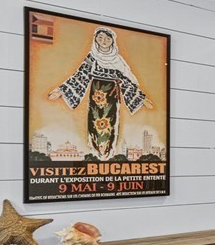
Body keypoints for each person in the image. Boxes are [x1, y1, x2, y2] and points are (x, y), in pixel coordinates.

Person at [48, 26, 154, 160]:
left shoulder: (118, 60)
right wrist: (61, 90)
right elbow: (79, 76)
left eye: (107, 38)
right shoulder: (92, 57)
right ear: (96, 40)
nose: (104, 41)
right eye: (100, 38)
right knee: (95, 121)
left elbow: (126, 81)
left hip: (112, 95)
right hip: (96, 93)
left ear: (112, 41)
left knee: (111, 122)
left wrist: (142, 98)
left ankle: (108, 153)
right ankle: (96, 152)